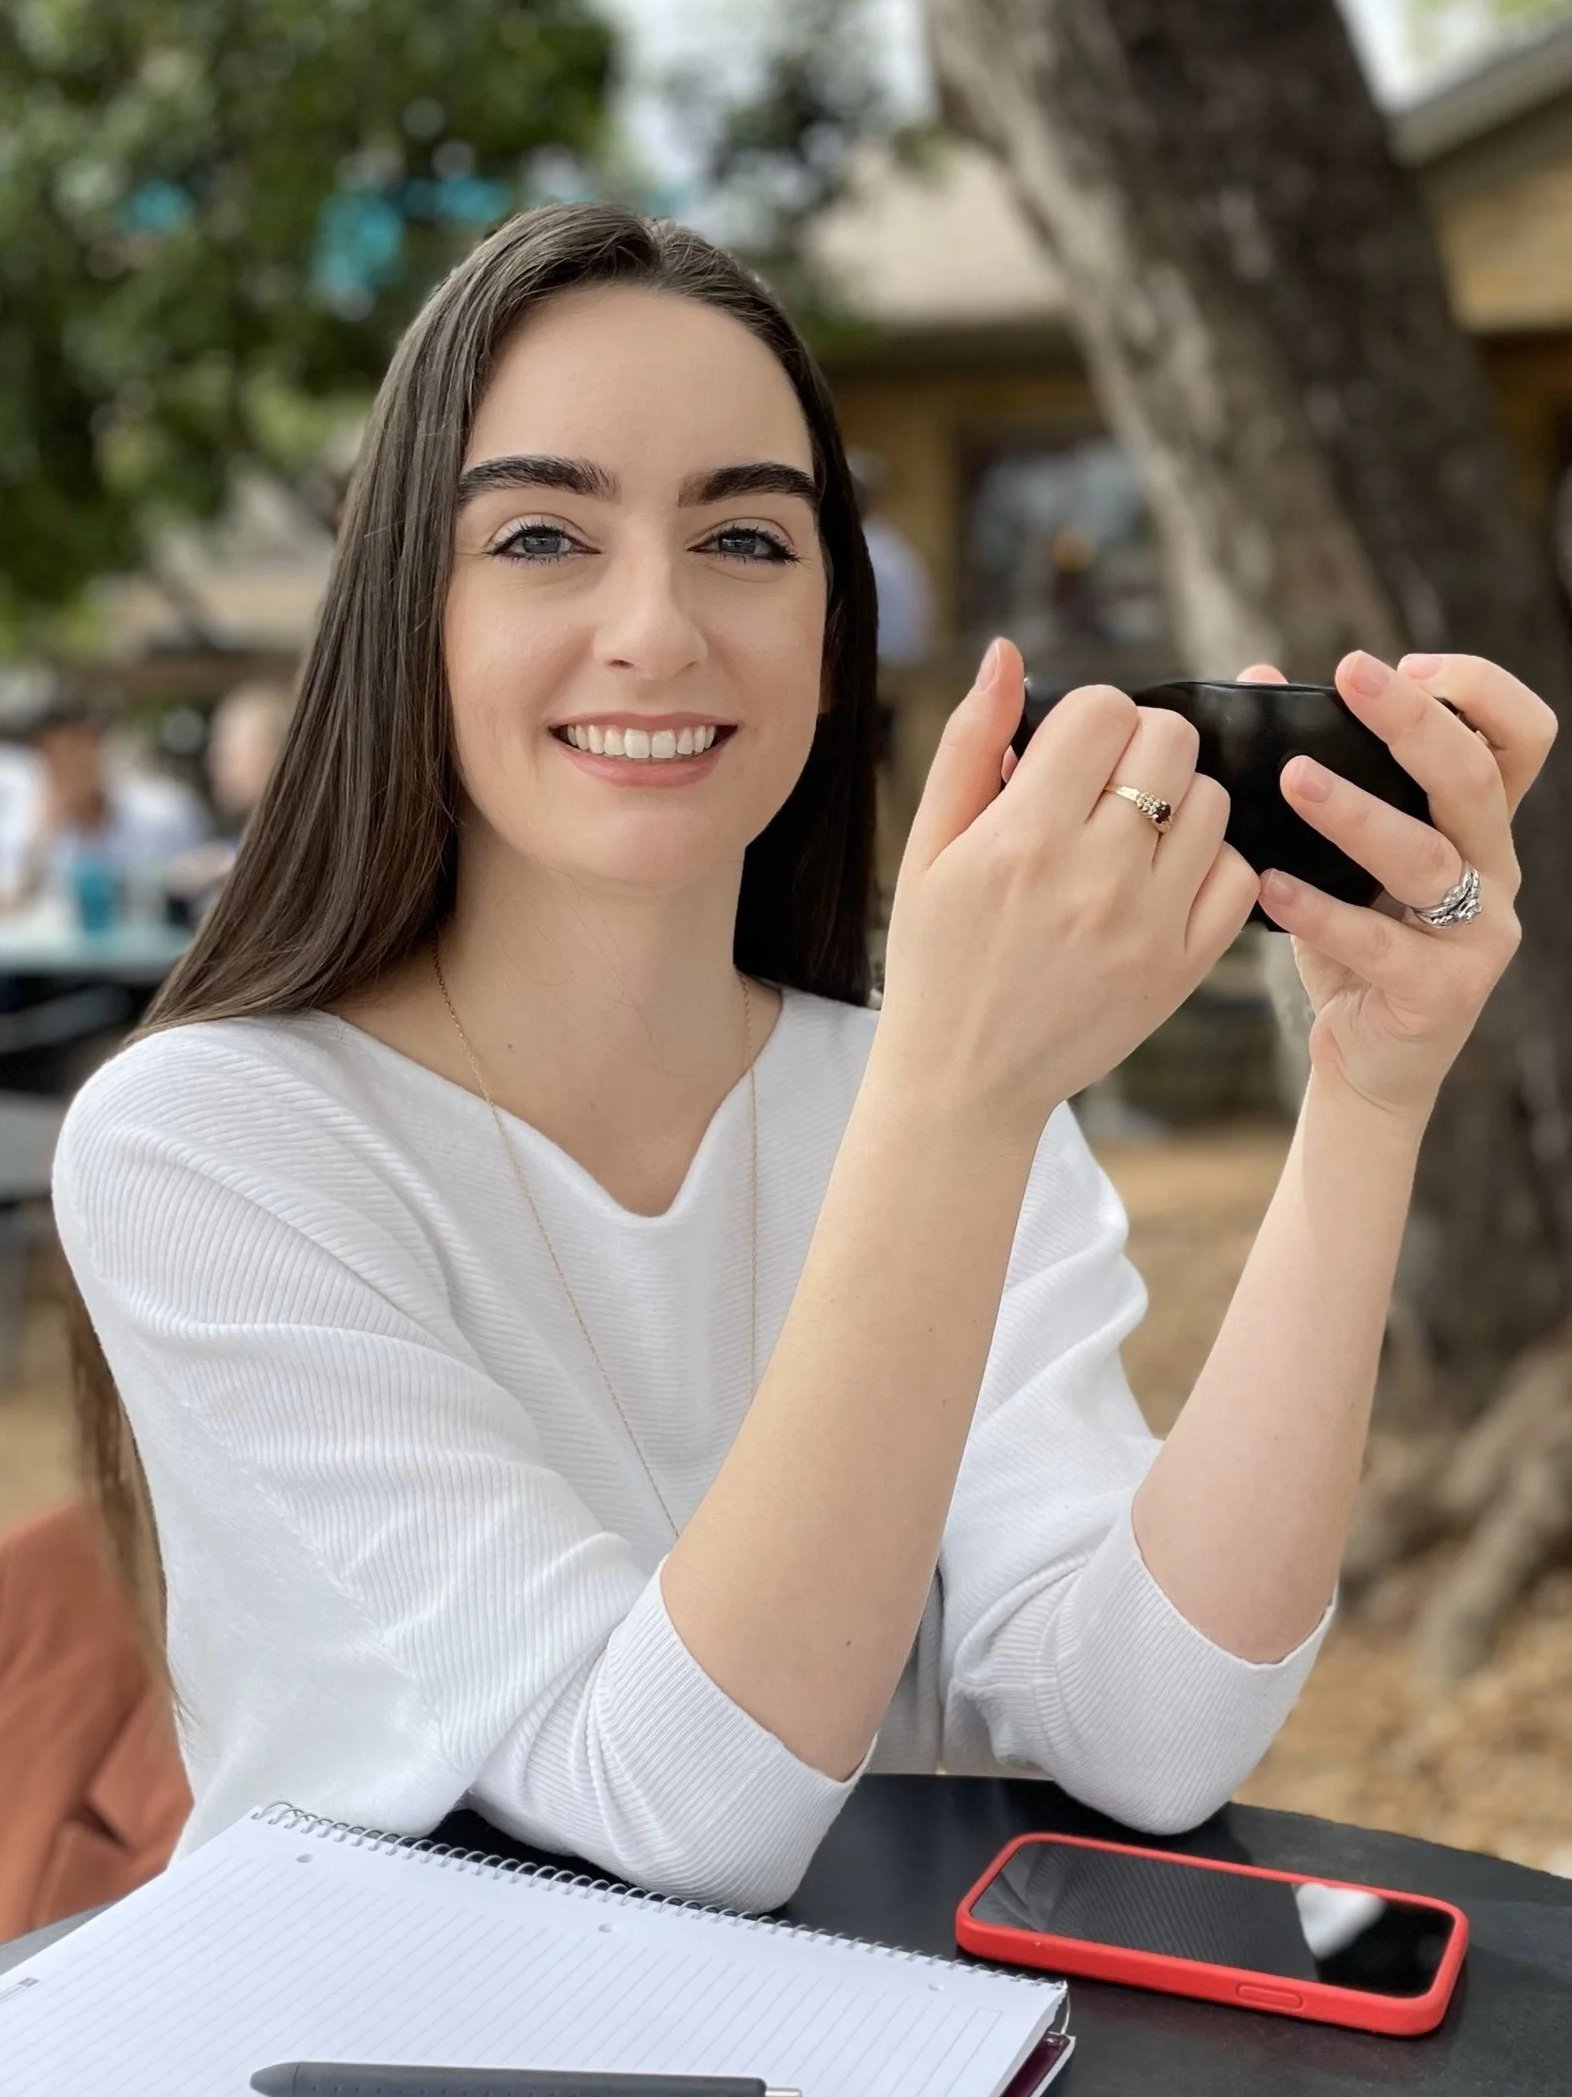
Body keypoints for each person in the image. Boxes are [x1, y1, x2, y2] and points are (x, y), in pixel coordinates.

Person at [49, 203, 1553, 1914]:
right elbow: (672, 1812)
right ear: (407, 613)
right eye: (541, 534)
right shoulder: (207, 1145)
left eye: (748, 543)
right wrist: (956, 1090)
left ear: (837, 643)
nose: (657, 629)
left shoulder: (925, 1095)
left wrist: (1368, 1093)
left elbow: (1152, 1729)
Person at [0, 699, 210, 921]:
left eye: (80, 751)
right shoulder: (21, 828)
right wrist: (43, 839)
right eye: (58, 758)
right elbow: (8, 911)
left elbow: (206, 890)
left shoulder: (166, 812)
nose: (72, 768)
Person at [163, 679, 295, 921]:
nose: (215, 757)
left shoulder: (294, 857)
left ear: (280, 751)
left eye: (229, 744)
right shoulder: (238, 849)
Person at [848, 448, 933, 773]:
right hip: (892, 670)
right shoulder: (889, 544)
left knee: (868, 767)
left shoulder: (869, 550)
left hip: (877, 670)